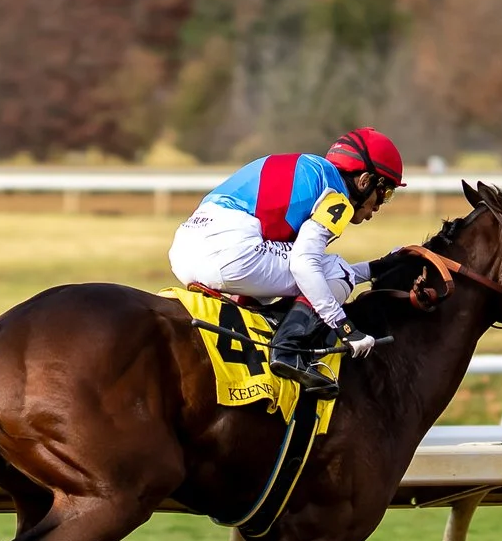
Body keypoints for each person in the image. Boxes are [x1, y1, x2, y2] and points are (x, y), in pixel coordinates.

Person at [168, 127, 406, 394]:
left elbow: (296, 265)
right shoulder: (337, 197)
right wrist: (344, 326)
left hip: (184, 251)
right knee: (332, 269)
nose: (377, 208)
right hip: (231, 252)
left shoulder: (313, 170)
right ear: (364, 180)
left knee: (328, 270)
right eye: (384, 194)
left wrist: (376, 268)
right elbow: (305, 266)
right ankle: (289, 349)